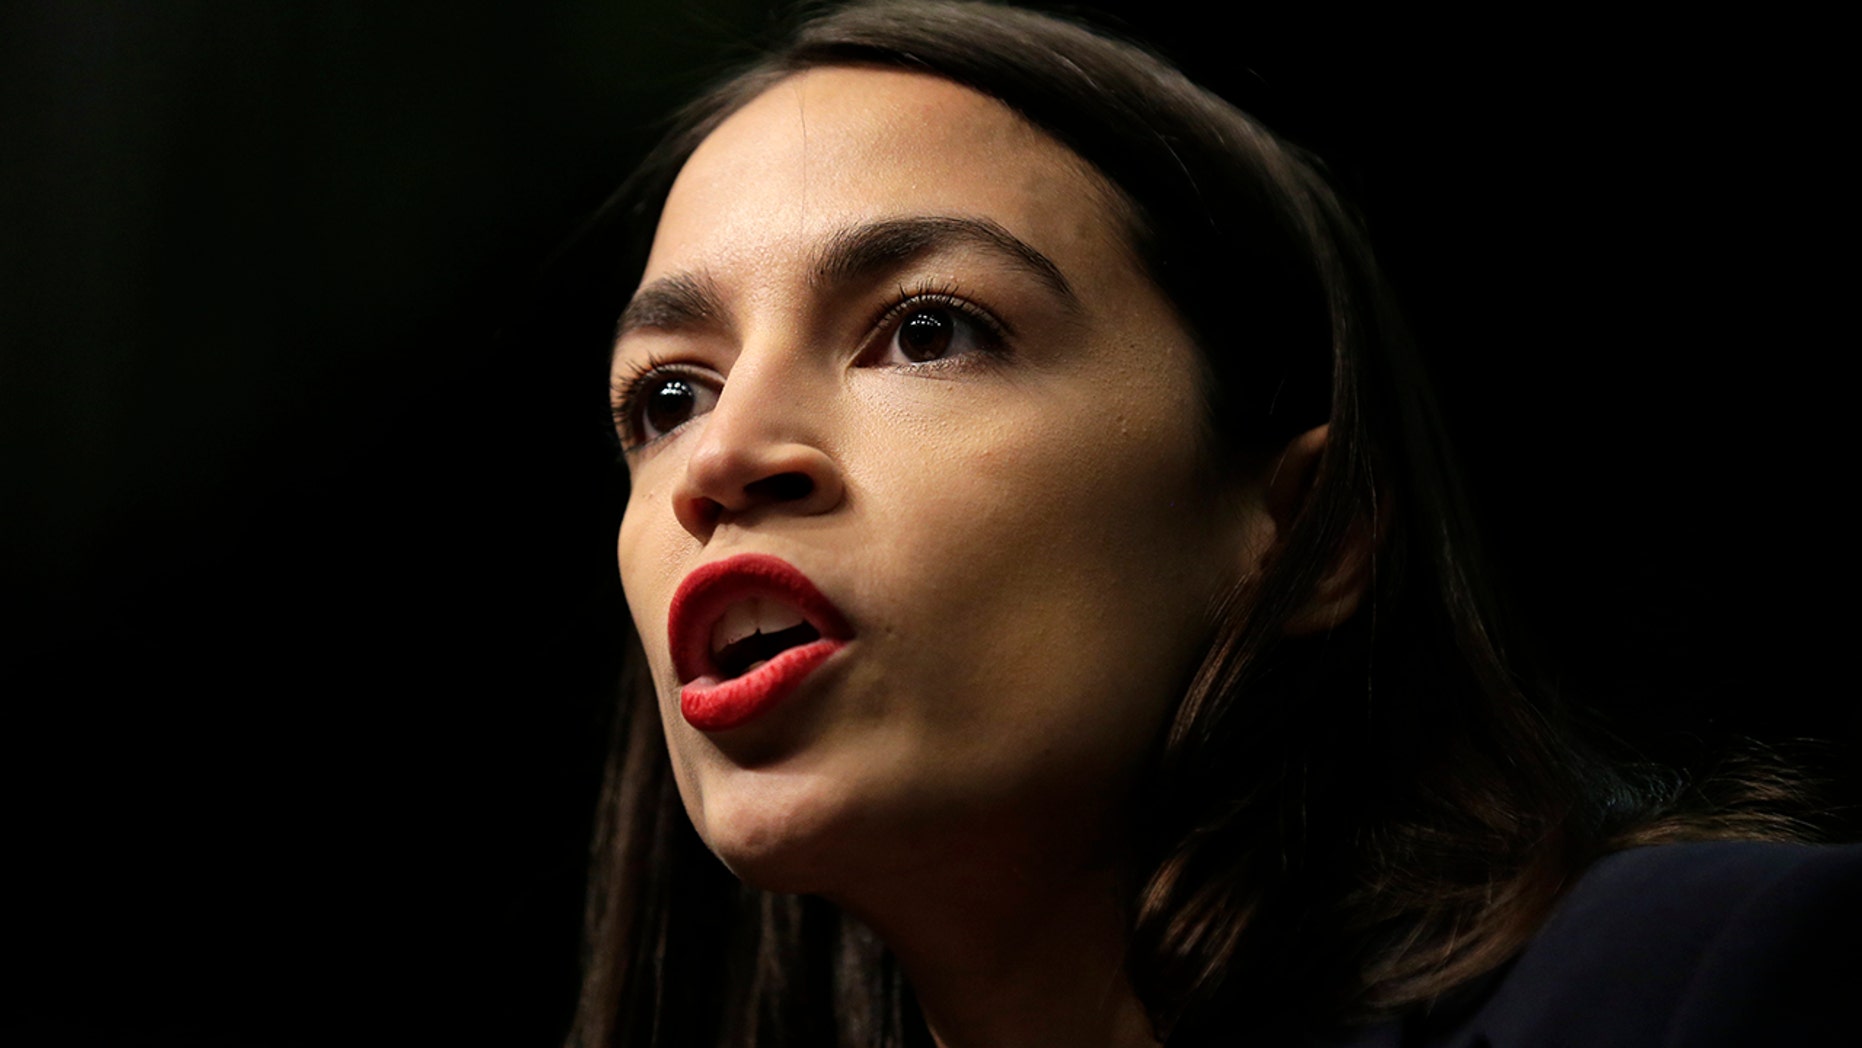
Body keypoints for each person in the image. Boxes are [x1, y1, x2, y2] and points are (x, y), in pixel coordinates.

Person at [567, 3, 1860, 1045]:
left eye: (926, 330)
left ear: (1310, 529)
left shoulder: (1702, 976)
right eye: (668, 396)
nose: (725, 458)